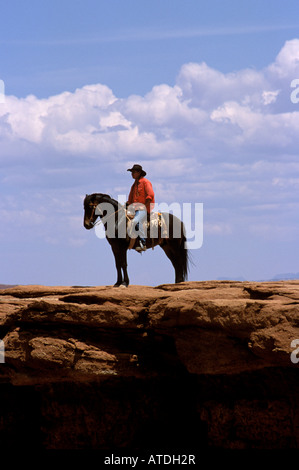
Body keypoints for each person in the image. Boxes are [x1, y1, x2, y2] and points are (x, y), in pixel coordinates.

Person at [127, 164, 155, 251]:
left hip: (144, 208)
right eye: (131, 172)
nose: (132, 174)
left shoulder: (146, 182)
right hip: (134, 208)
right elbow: (130, 199)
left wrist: (143, 206)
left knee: (135, 221)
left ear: (139, 173)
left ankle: (143, 243)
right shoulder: (134, 185)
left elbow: (150, 195)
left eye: (133, 172)